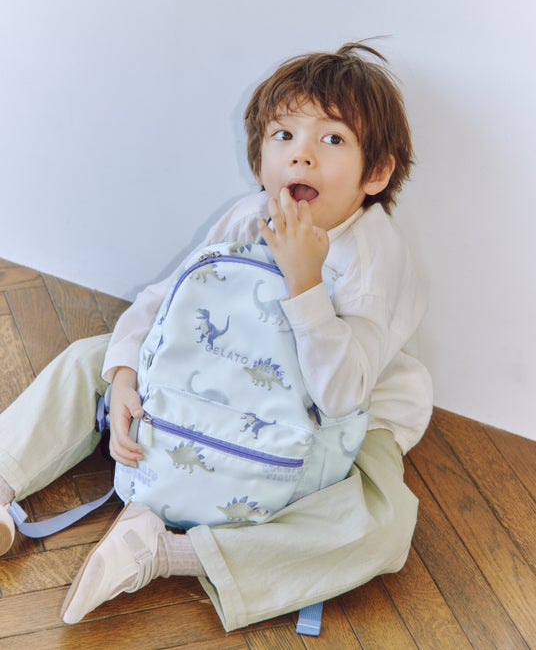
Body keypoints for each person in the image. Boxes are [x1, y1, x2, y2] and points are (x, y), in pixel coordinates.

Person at [0, 42, 432, 630]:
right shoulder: (248, 216)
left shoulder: (374, 260)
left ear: (376, 174)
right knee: (90, 359)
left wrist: (306, 282)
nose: (301, 155)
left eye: (332, 139)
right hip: (218, 373)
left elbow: (341, 395)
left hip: (338, 420)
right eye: (284, 136)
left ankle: (168, 553)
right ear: (259, 160)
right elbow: (163, 300)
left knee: (384, 524)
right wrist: (124, 376)